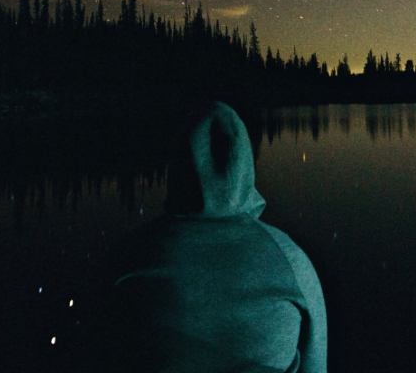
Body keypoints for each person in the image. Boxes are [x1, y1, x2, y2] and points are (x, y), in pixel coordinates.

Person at [77, 101, 327, 372]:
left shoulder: (127, 259)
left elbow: (92, 355)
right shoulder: (291, 261)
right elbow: (316, 365)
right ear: (245, 165)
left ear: (177, 167)